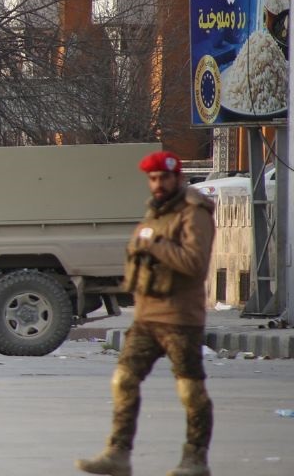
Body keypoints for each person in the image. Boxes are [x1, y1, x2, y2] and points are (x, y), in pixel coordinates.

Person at [77, 151, 216, 476]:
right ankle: (118, 454)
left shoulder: (193, 214)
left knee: (189, 388)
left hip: (180, 317)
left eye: (163, 178)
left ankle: (195, 458)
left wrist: (153, 244)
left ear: (177, 178)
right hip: (147, 317)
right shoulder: (155, 212)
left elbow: (195, 264)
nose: (157, 184)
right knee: (123, 379)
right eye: (152, 178)